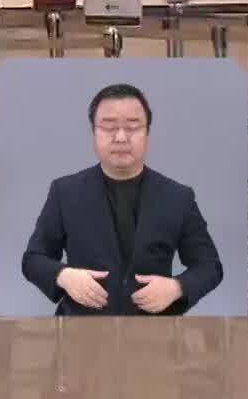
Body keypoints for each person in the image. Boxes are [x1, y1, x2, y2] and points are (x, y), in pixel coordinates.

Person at [22, 83, 222, 316]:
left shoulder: (178, 197)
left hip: (154, 335)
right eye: (108, 127)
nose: (120, 137)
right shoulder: (65, 192)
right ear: (93, 132)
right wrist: (64, 276)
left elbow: (210, 266)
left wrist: (176, 288)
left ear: (147, 132)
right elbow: (33, 259)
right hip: (80, 333)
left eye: (133, 127)